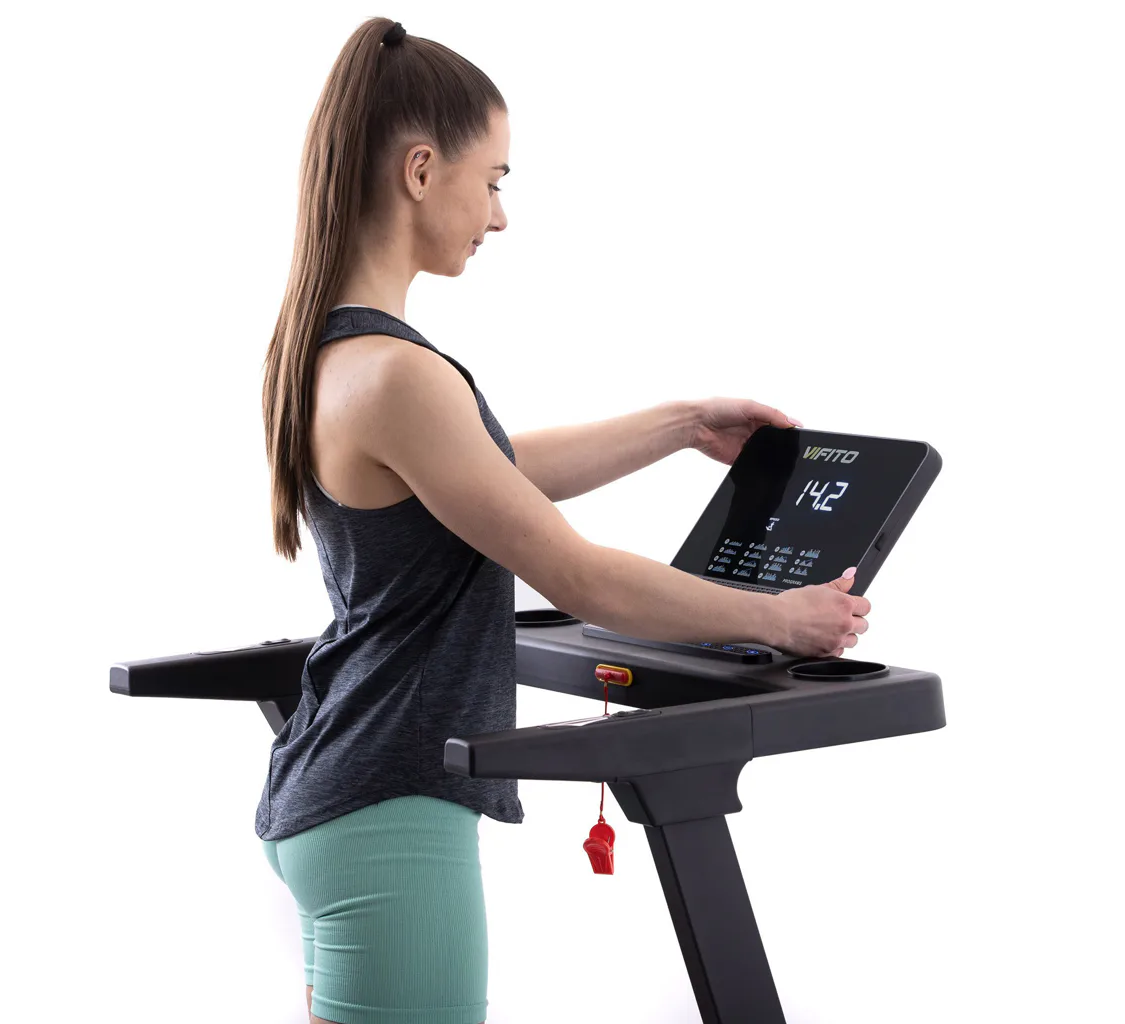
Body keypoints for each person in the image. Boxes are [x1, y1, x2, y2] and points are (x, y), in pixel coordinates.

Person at [254, 18, 871, 1024]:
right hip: (390, 814)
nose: (499, 217)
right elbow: (577, 576)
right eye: (493, 180)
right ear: (421, 171)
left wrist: (682, 423)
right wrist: (782, 619)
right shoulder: (399, 377)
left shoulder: (336, 355)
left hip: (341, 790)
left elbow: (490, 474)